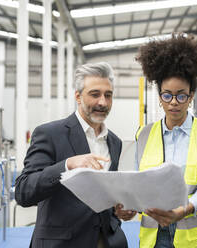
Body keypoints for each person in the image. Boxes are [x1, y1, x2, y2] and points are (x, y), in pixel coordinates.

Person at [15, 62, 128, 248]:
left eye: (108, 95)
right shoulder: (50, 134)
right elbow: (23, 192)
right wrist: (67, 165)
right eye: (95, 94)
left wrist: (119, 210)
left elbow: (104, 199)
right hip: (62, 243)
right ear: (78, 96)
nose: (103, 102)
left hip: (108, 241)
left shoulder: (114, 142)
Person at [131, 34, 197, 248]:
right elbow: (137, 184)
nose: (173, 103)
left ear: (190, 96)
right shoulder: (143, 134)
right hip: (155, 237)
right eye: (167, 95)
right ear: (160, 96)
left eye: (181, 96)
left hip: (195, 239)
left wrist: (185, 210)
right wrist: (129, 206)